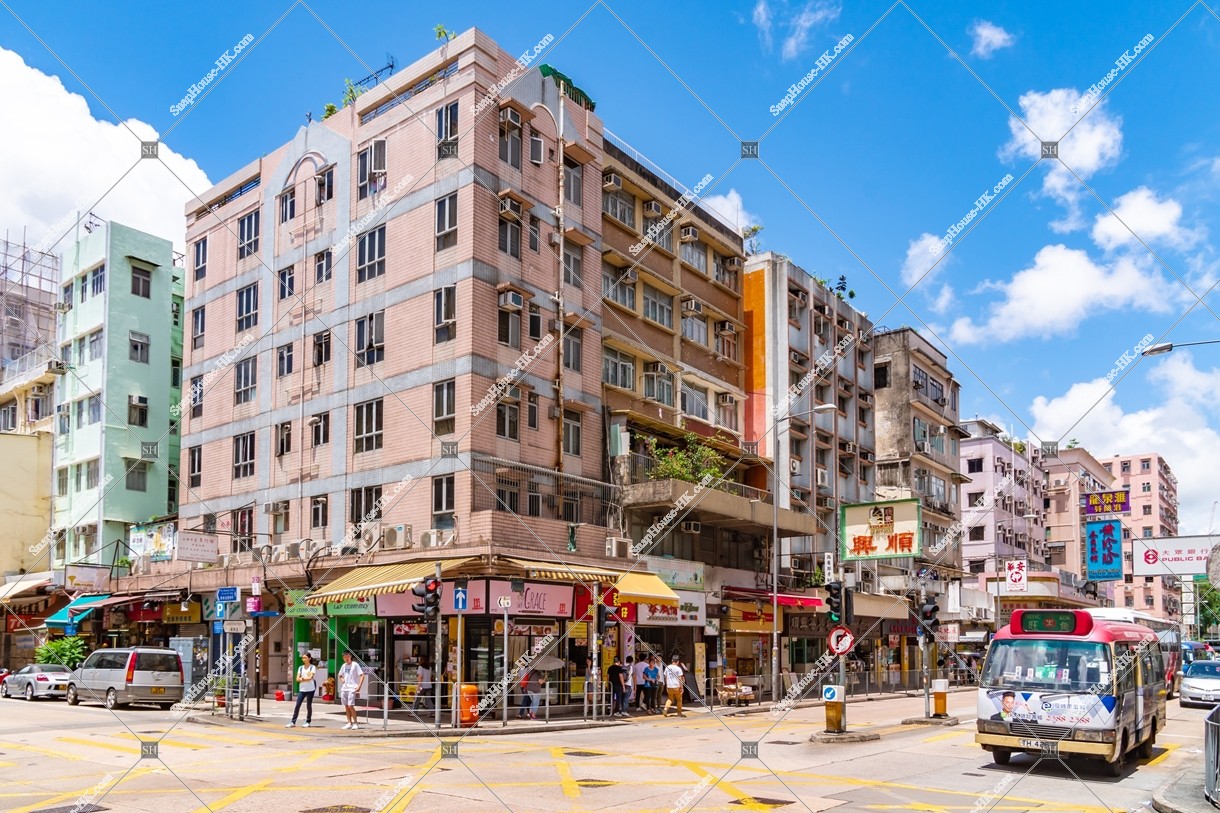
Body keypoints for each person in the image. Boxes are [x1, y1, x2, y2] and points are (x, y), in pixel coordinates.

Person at [287, 653, 316, 728]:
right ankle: (293, 722)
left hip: (310, 689)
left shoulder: (312, 667)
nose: (304, 659)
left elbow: (310, 678)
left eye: (305, 658)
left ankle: (308, 721)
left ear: (309, 658)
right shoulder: (300, 667)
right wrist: (303, 679)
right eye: (303, 658)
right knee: (297, 705)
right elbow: (297, 679)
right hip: (302, 689)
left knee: (308, 705)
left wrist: (302, 679)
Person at [337, 651, 365, 730]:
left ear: (350, 656)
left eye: (347, 657)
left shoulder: (355, 665)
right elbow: (340, 675)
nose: (346, 659)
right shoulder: (344, 666)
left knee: (350, 705)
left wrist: (359, 686)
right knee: (346, 706)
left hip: (352, 687)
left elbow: (362, 675)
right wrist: (342, 680)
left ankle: (355, 723)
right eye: (344, 657)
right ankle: (349, 722)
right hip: (345, 688)